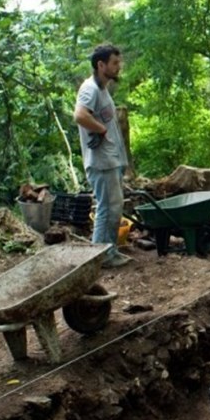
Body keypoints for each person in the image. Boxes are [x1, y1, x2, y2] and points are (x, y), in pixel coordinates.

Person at [73, 44, 130, 269]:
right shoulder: (90, 89)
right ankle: (100, 257)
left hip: (111, 161)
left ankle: (109, 252)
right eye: (114, 63)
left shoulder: (102, 89)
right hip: (100, 162)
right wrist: (101, 129)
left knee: (113, 207)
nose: (118, 67)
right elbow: (79, 115)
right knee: (107, 207)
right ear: (101, 65)